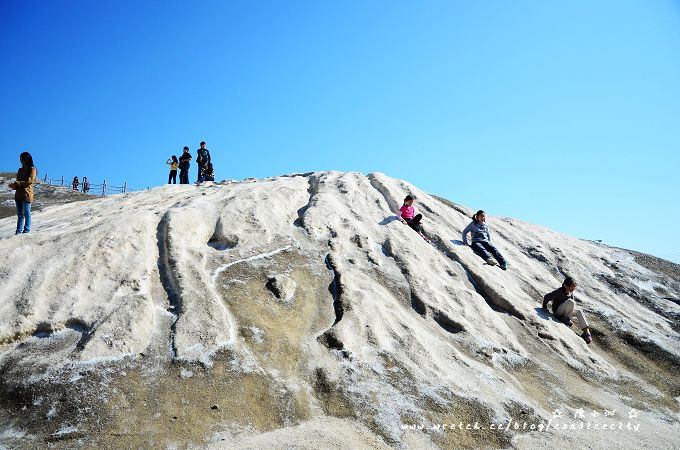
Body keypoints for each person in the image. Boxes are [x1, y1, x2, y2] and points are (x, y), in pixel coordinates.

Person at [542, 276, 593, 344]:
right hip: (558, 312)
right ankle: (565, 318)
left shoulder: (570, 293)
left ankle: (586, 332)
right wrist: (544, 307)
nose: (573, 289)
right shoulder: (559, 292)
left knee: (579, 311)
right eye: (572, 287)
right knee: (571, 302)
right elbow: (546, 297)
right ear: (565, 286)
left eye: (574, 287)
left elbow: (572, 306)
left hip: (565, 311)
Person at [8, 152, 37, 235]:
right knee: (20, 215)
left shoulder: (32, 169)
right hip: (18, 195)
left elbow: (29, 181)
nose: (20, 160)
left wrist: (17, 183)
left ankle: (26, 230)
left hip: (27, 194)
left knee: (26, 213)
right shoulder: (20, 170)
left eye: (21, 158)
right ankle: (18, 231)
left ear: (26, 159)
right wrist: (14, 185)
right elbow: (18, 181)